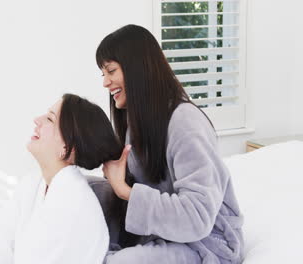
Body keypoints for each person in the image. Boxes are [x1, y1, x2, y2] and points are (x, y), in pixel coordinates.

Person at [96, 24, 244, 264]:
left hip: (209, 244)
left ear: (138, 67)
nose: (105, 82)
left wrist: (124, 190)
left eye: (111, 70)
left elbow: (197, 217)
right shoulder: (137, 124)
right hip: (165, 235)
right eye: (102, 73)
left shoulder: (185, 121)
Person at [0, 94, 122, 264]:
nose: (37, 120)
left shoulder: (74, 203)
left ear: (67, 146)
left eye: (50, 119)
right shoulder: (32, 184)